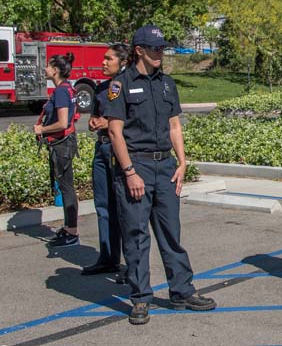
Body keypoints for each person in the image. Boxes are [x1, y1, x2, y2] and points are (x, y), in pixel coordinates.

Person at [107, 25, 216, 325]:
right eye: (155, 48)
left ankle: (181, 291)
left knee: (171, 233)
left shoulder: (167, 84)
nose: (160, 53)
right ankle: (140, 299)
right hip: (136, 166)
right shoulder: (121, 84)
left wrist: (182, 163)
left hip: (165, 167)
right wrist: (129, 172)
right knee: (137, 236)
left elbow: (174, 126)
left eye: (162, 48)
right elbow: (115, 133)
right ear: (139, 50)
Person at [81, 44, 129, 275]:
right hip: (101, 149)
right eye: (103, 58)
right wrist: (93, 122)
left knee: (125, 207)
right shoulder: (100, 88)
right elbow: (95, 116)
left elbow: (135, 118)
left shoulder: (129, 85)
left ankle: (132, 265)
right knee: (103, 205)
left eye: (108, 58)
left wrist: (108, 123)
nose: (103, 62)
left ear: (123, 61)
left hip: (119, 150)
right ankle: (108, 257)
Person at [34, 53, 80, 248]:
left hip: (62, 145)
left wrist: (42, 129)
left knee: (67, 187)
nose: (45, 69)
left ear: (56, 70)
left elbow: (62, 122)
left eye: (48, 66)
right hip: (64, 144)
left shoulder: (61, 92)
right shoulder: (66, 88)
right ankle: (70, 229)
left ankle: (71, 232)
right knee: (66, 186)